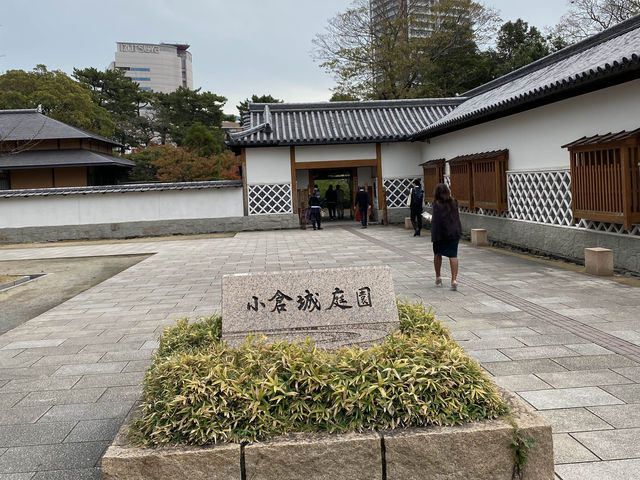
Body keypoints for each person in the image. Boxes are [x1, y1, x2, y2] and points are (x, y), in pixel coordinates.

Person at [430, 183, 462, 291]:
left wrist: (430, 220)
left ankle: (438, 276)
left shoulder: (436, 204)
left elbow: (436, 220)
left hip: (440, 234)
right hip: (453, 233)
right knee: (453, 255)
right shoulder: (454, 202)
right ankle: (454, 280)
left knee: (437, 254)